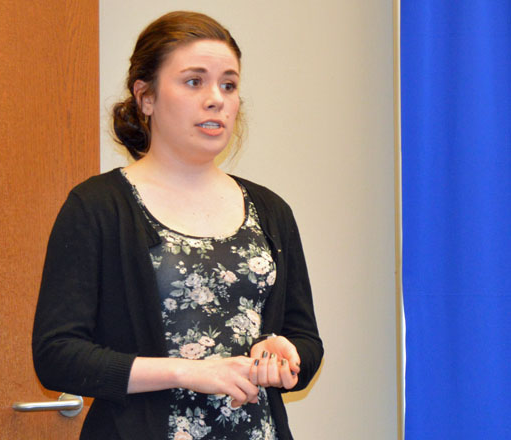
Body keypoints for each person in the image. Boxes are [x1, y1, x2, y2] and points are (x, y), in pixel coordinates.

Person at [32, 11, 323, 440]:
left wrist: (287, 354)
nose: (216, 99)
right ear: (145, 97)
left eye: (229, 84)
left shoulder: (270, 209)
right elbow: (57, 356)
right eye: (194, 81)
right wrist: (188, 373)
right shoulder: (97, 206)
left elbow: (306, 340)